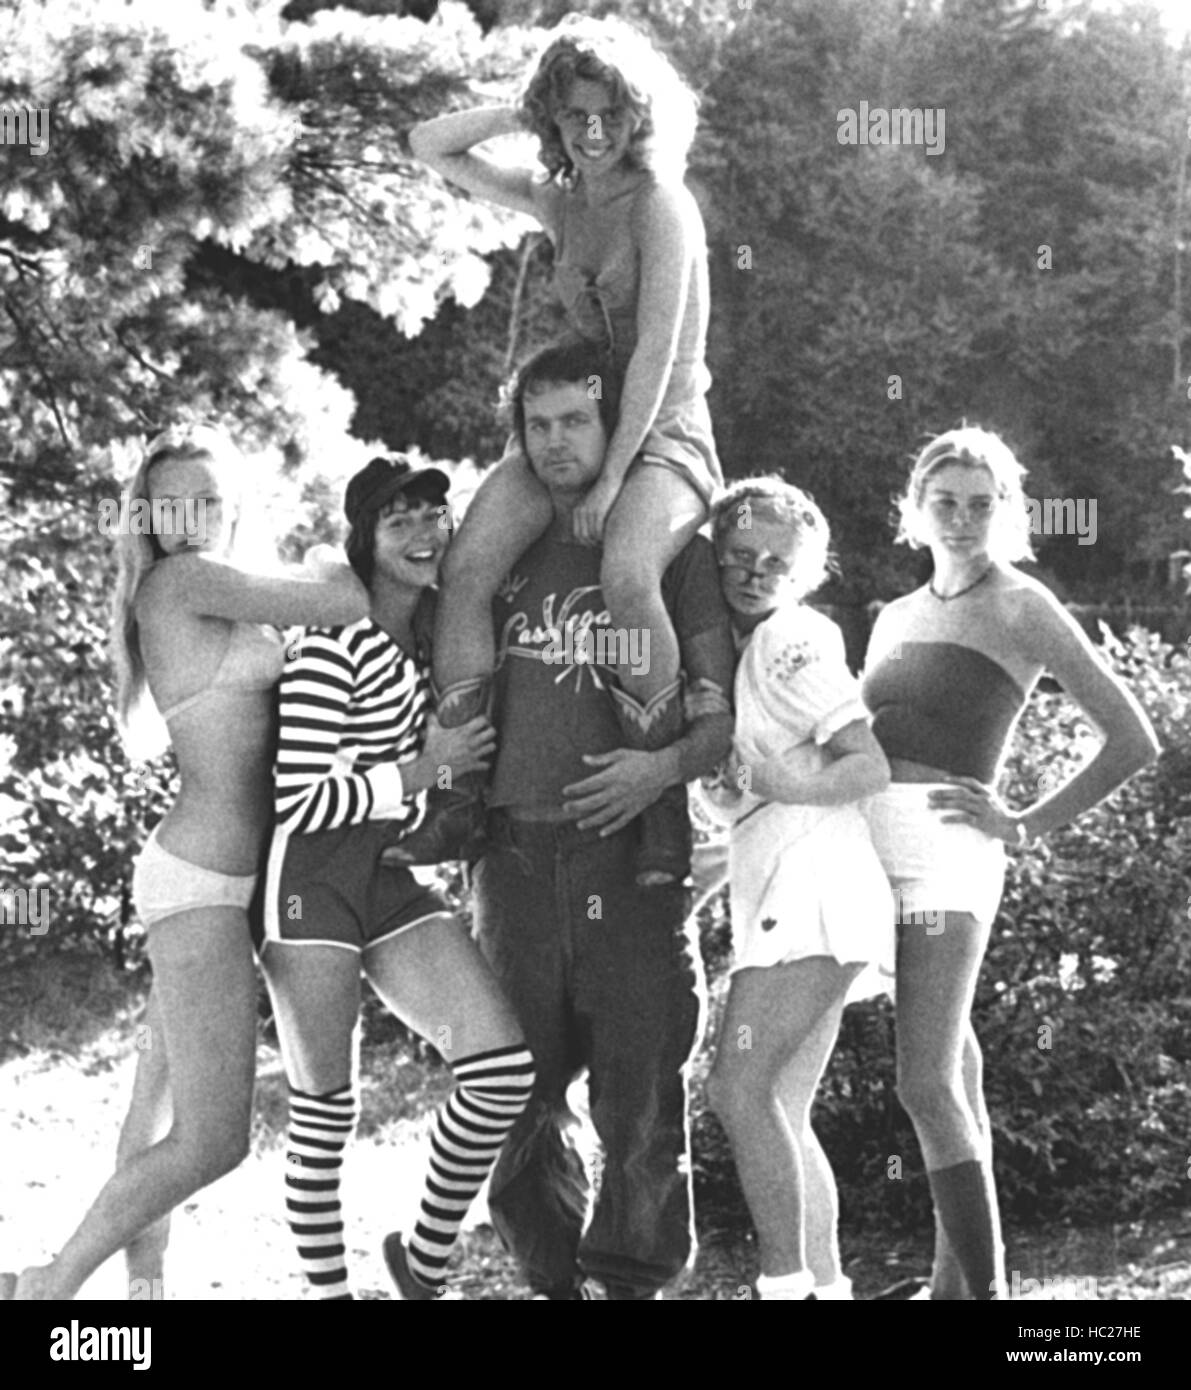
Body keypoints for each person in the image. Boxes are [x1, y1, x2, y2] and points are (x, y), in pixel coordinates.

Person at [4, 424, 370, 1301]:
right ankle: (45, 1286)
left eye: (209, 499)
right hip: (204, 885)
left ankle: (144, 1292)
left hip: (219, 883)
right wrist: (328, 556)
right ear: (148, 518)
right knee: (213, 1140)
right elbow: (350, 602)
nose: (191, 518)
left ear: (233, 504)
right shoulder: (182, 582)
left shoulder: (219, 589)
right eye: (171, 505)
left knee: (155, 1110)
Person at [406, 14, 722, 884]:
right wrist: (525, 110)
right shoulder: (557, 196)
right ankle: (459, 794)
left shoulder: (662, 205)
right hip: (575, 425)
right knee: (467, 566)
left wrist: (614, 477)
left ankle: (659, 803)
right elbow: (430, 147)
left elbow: (655, 355)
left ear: (639, 117)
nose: (592, 132)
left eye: (610, 115)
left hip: (662, 430)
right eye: (574, 114)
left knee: (626, 572)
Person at [861, 427, 1159, 1300]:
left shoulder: (1021, 605)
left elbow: (1130, 739)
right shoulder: (892, 615)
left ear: (1005, 512)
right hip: (873, 847)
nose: (960, 519)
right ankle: (948, 1286)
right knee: (954, 1069)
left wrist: (1023, 824)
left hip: (949, 853)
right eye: (944, 502)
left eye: (979, 504)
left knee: (923, 1081)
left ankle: (987, 1302)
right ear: (915, 509)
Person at [467, 339, 734, 1300]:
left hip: (627, 860)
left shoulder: (665, 549)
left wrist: (657, 768)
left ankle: (631, 1283)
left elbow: (717, 720)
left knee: (639, 1092)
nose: (554, 442)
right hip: (511, 858)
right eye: (535, 425)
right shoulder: (500, 548)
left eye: (574, 421)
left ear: (613, 425)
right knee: (511, 1090)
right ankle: (551, 1279)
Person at [257, 455, 534, 1301]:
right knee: (325, 1115)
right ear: (364, 541)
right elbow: (298, 798)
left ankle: (422, 1263)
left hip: (384, 873)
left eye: (431, 515)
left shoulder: (427, 638)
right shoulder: (332, 643)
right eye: (397, 520)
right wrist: (421, 771)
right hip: (307, 884)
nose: (421, 532)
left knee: (500, 1071)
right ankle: (329, 1295)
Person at [700, 477, 893, 1301]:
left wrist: (782, 784)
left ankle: (781, 1290)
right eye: (739, 554)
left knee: (736, 1089)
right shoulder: (729, 652)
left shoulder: (790, 637)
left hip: (812, 887)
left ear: (804, 574)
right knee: (778, 1102)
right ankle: (827, 1289)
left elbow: (866, 766)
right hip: (787, 884)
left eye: (776, 563)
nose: (754, 573)